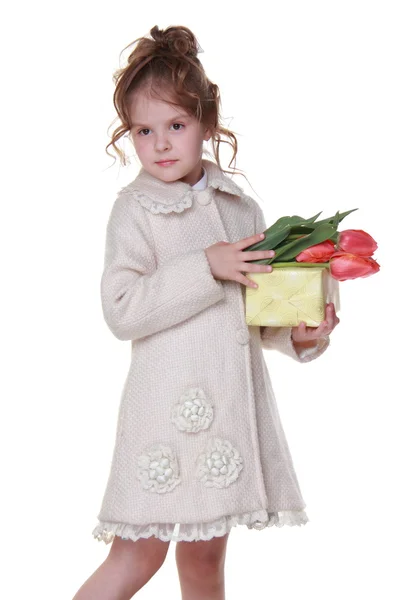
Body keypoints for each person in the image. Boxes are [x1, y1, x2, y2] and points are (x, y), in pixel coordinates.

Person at [72, 24, 340, 600]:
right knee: (137, 554)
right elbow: (121, 311)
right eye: (145, 130)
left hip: (227, 414)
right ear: (129, 136)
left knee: (205, 561)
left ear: (207, 125)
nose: (162, 144)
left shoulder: (240, 208)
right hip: (166, 415)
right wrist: (203, 265)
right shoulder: (136, 211)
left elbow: (253, 312)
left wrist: (302, 333)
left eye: (176, 125)